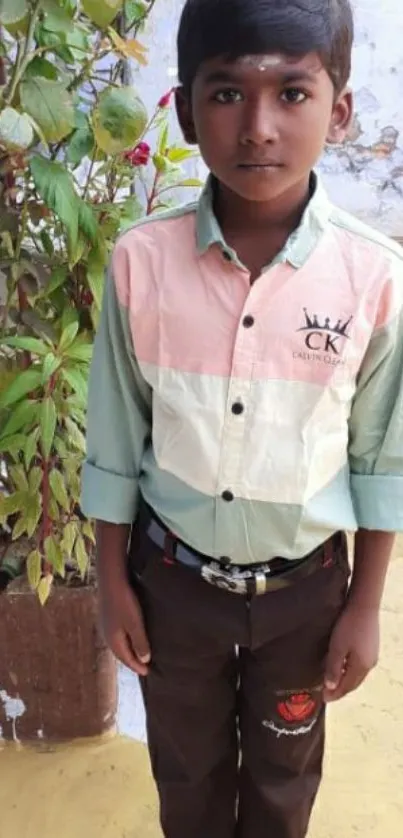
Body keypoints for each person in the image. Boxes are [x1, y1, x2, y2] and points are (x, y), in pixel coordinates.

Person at [81, 1, 403, 836]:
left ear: (338, 110)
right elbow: (116, 436)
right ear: (186, 110)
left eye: (291, 94)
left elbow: (378, 458)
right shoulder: (140, 263)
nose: (257, 127)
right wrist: (112, 582)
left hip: (307, 594)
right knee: (184, 774)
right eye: (226, 94)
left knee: (283, 779)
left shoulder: (374, 278)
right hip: (172, 588)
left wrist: (364, 606)